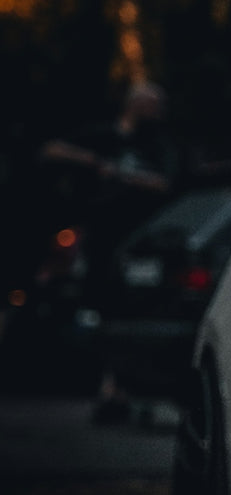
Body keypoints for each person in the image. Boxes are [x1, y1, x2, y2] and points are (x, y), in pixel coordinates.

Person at [40, 82, 179, 419]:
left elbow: (166, 183)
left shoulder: (155, 145)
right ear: (135, 104)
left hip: (138, 241)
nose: (159, 111)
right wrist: (90, 161)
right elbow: (51, 150)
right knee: (98, 307)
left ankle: (118, 386)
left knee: (128, 309)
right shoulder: (103, 136)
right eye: (153, 103)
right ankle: (106, 385)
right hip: (101, 237)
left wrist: (121, 175)